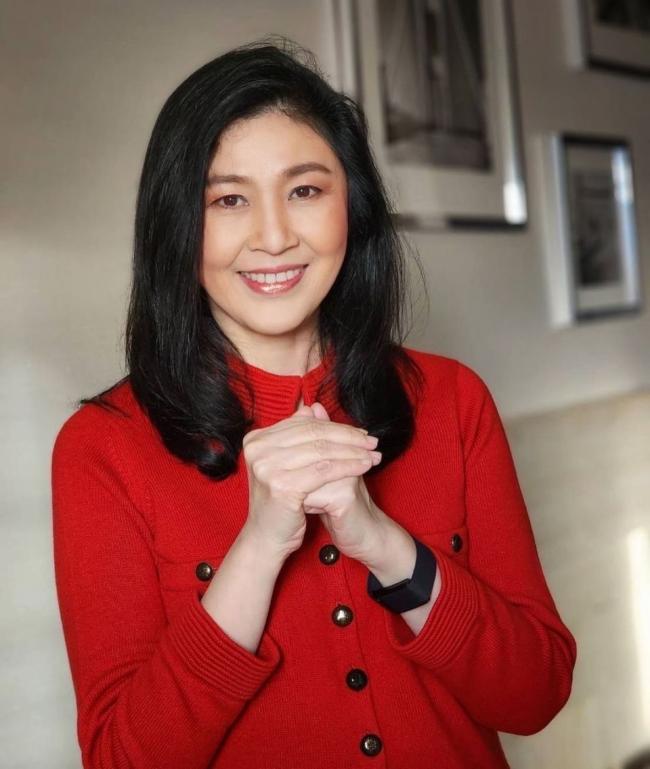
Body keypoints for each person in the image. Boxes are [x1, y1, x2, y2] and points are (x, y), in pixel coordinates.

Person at [51, 36, 576, 769]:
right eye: (228, 199)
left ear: (351, 206)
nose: (274, 238)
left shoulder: (454, 400)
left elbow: (536, 695)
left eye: (305, 191)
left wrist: (382, 542)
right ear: (177, 224)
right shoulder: (102, 447)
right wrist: (259, 546)